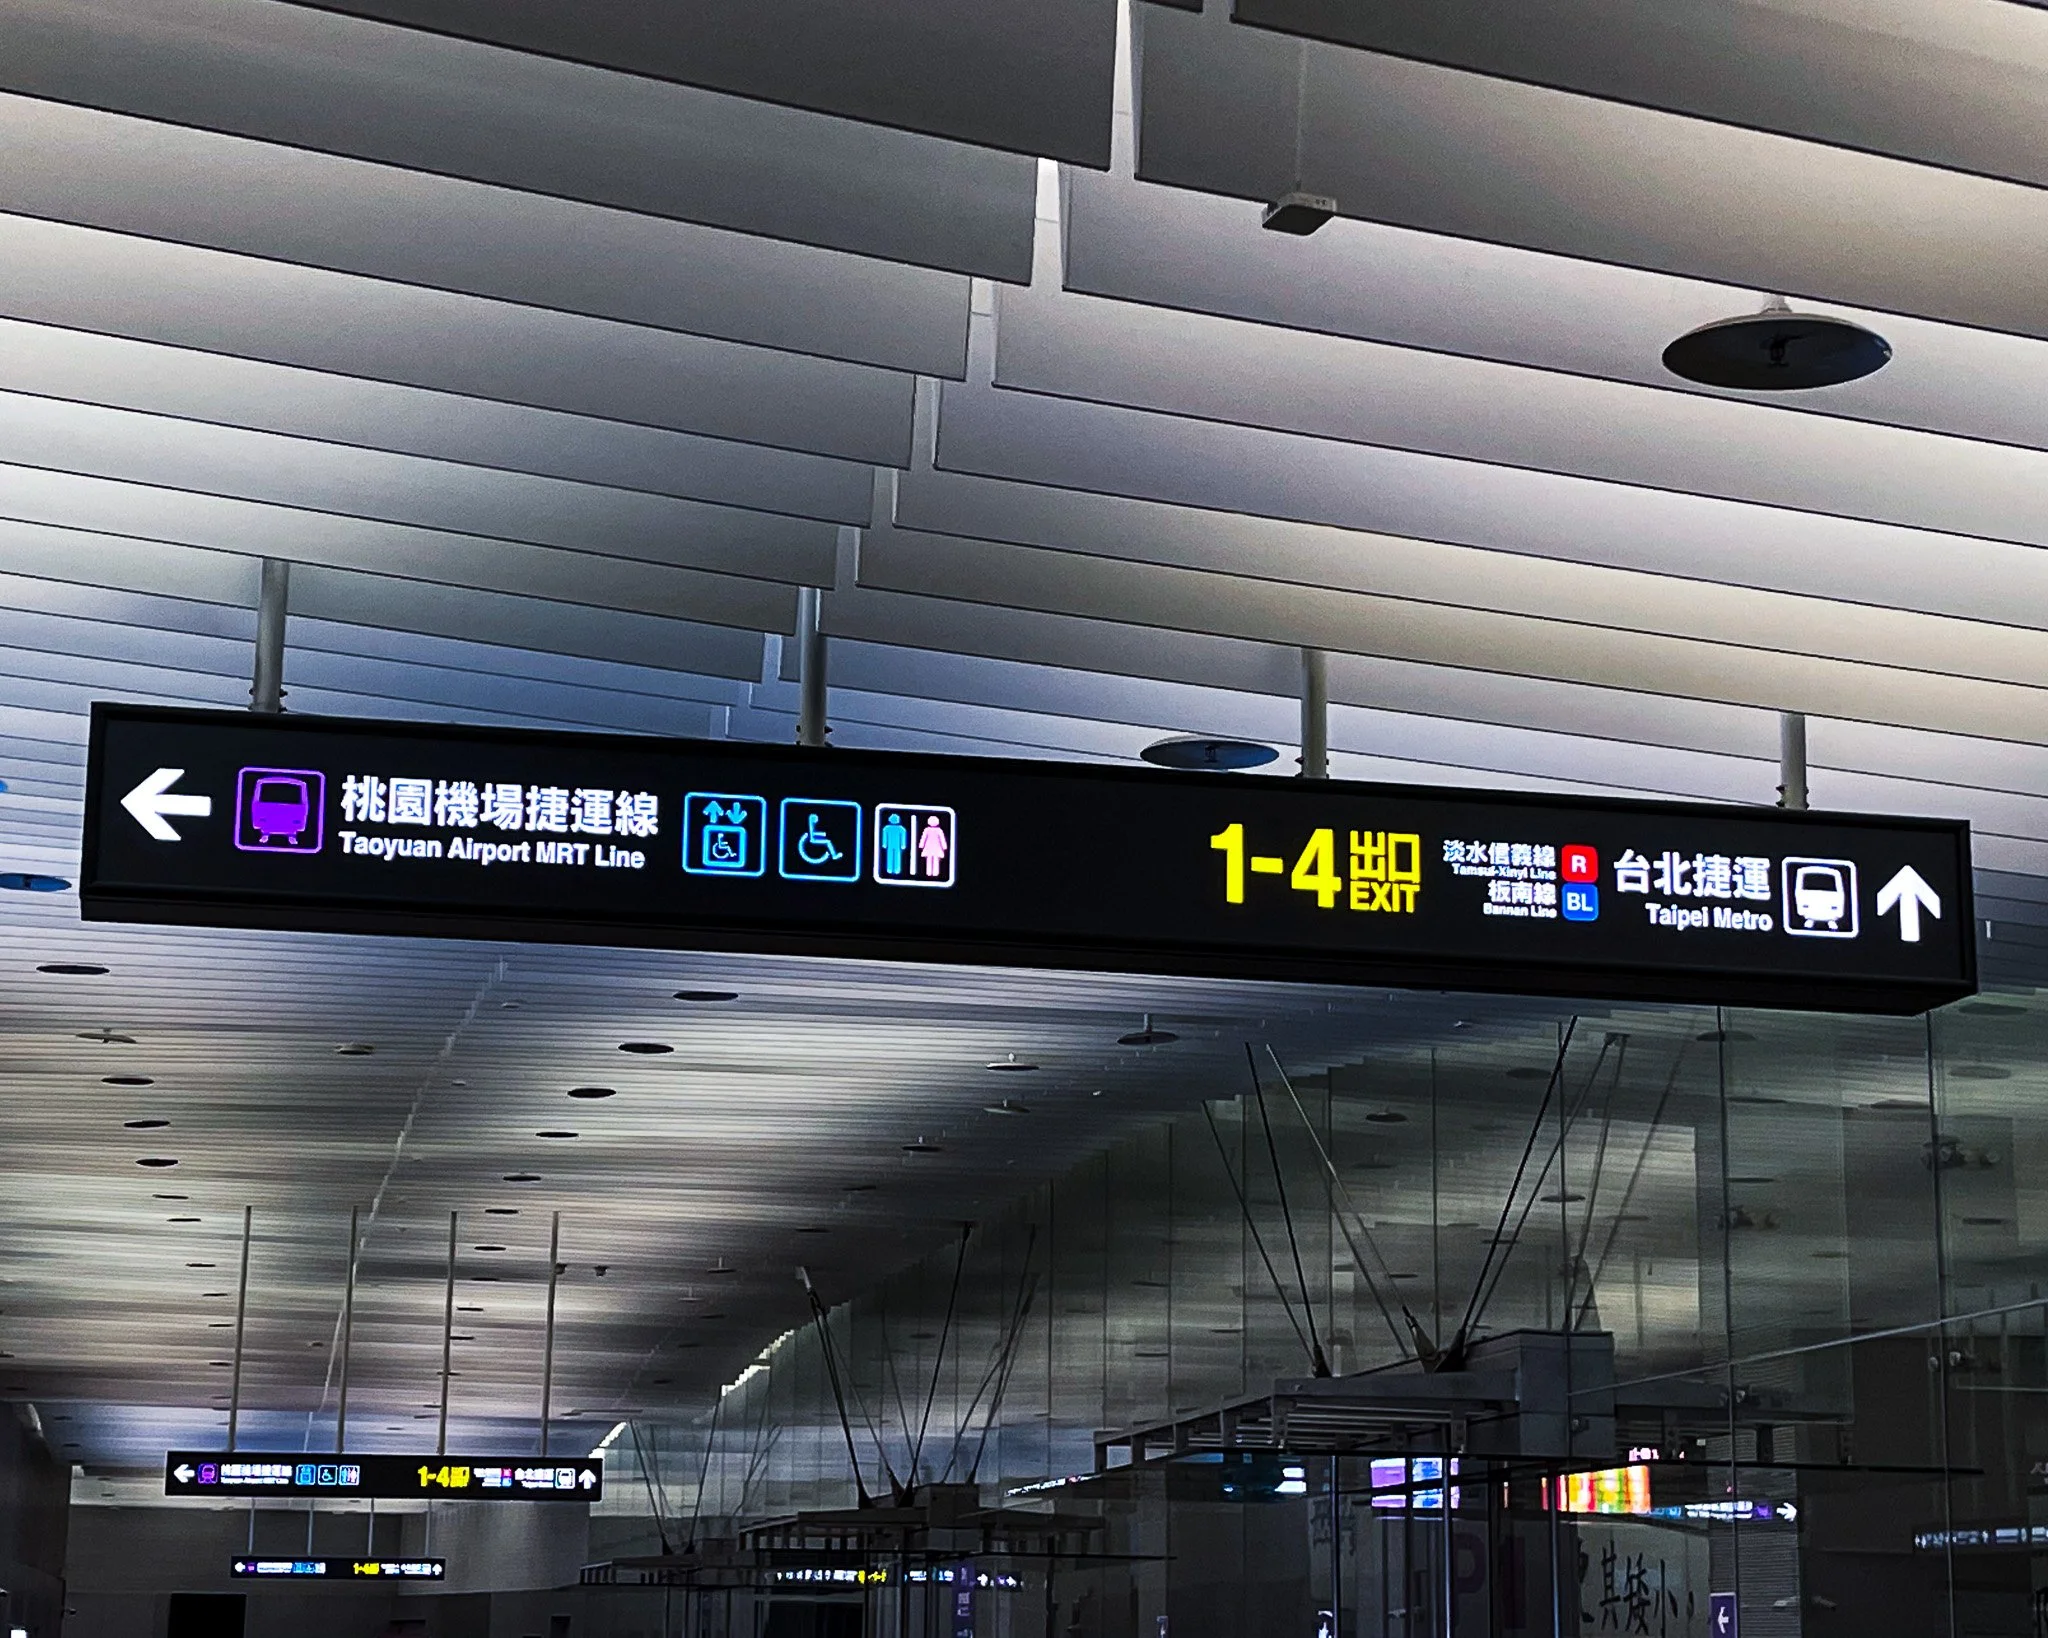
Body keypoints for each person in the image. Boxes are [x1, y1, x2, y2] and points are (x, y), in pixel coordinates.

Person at [918, 814, 949, 879]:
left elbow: (941, 838)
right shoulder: (934, 830)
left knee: (932, 860)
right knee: (933, 860)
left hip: (930, 847)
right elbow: (924, 838)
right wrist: (944, 846)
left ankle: (931, 873)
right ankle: (933, 873)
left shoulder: (931, 830)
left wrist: (921, 845)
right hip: (934, 848)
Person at [880, 811, 910, 876]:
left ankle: (895, 869)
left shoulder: (901, 829)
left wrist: (903, 845)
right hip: (892, 845)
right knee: (892, 856)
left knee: (895, 856)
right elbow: (885, 836)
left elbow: (903, 837)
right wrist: (884, 844)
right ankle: (891, 869)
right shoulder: (887, 828)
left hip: (895, 845)